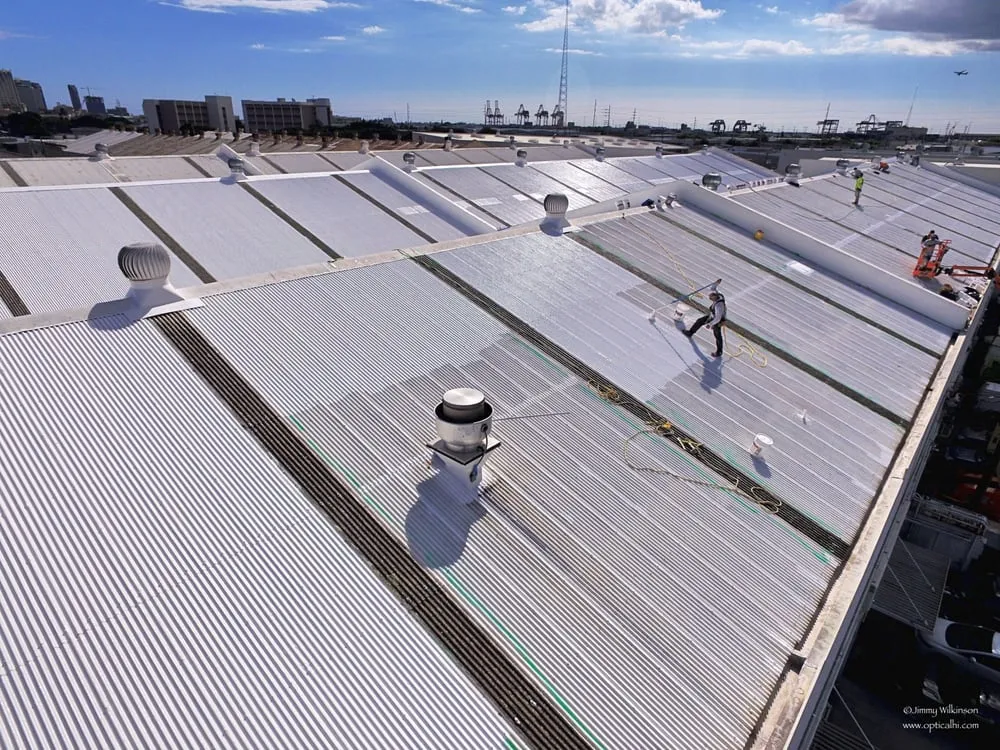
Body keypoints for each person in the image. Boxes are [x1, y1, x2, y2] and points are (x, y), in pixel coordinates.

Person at [683, 286, 727, 358]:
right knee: (700, 321)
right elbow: (713, 288)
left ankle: (719, 351)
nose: (709, 298)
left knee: (717, 335)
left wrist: (710, 324)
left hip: (717, 321)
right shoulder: (719, 295)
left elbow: (717, 318)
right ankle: (690, 332)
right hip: (712, 316)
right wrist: (716, 283)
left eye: (711, 297)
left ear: (714, 296)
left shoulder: (719, 306)